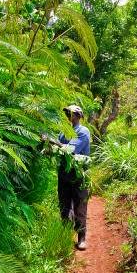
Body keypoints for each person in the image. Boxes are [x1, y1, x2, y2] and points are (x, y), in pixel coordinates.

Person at [58, 105, 90, 250]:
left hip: (78, 174)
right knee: (64, 204)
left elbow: (70, 150)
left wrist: (53, 143)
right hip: (64, 173)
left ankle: (81, 238)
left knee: (79, 206)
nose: (68, 115)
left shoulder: (83, 131)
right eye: (67, 113)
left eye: (71, 113)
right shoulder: (64, 133)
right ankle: (65, 236)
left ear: (78, 116)